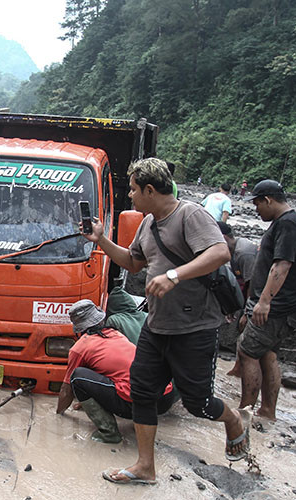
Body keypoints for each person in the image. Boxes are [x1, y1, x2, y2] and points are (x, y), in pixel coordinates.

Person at [83, 158, 248, 485]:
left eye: (133, 190)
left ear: (149, 189)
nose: (130, 196)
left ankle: (234, 421)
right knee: (142, 392)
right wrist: (100, 240)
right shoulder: (147, 224)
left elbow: (219, 253)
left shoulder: (190, 214)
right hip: (156, 326)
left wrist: (174, 274)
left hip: (195, 328)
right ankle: (146, 466)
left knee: (198, 402)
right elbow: (132, 263)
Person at [56, 300, 176, 443]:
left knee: (77, 376)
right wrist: (85, 402)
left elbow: (66, 389)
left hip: (137, 402)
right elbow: (111, 370)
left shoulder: (80, 347)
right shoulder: (116, 334)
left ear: (78, 328)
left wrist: (58, 414)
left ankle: (109, 433)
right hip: (166, 396)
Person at [238, 180, 296, 421]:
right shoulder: (286, 223)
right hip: (278, 306)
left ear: (268, 200)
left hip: (275, 308)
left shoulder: (288, 224)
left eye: (258, 204)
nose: (256, 210)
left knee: (247, 351)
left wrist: (264, 301)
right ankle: (267, 411)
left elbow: (282, 265)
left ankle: (244, 412)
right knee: (267, 355)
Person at [218, 221, 258, 377]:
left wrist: (247, 313)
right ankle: (238, 366)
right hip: (249, 293)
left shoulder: (244, 252)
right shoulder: (235, 250)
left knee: (246, 332)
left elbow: (252, 285)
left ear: (223, 238)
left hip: (259, 296)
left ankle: (242, 367)